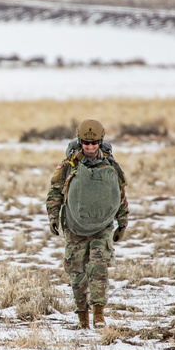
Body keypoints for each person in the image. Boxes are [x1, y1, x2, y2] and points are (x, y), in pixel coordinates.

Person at [46, 119, 129, 329]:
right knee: (77, 272)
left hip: (102, 226)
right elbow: (55, 191)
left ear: (100, 142)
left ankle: (99, 314)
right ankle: (82, 317)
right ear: (80, 141)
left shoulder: (110, 165)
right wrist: (53, 216)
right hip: (74, 226)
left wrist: (123, 222)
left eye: (94, 143)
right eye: (86, 143)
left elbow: (118, 194)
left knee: (99, 268)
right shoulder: (69, 165)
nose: (90, 147)